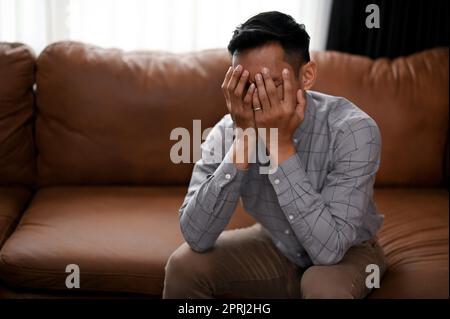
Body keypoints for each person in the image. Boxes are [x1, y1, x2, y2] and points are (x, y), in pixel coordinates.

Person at [163, 11, 387, 299]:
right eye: (245, 86)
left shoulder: (354, 130)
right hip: (278, 241)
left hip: (349, 250)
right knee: (184, 267)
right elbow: (196, 236)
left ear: (306, 76)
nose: (257, 99)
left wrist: (280, 145)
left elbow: (329, 250)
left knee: (323, 287)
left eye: (271, 85)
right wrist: (244, 138)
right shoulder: (228, 129)